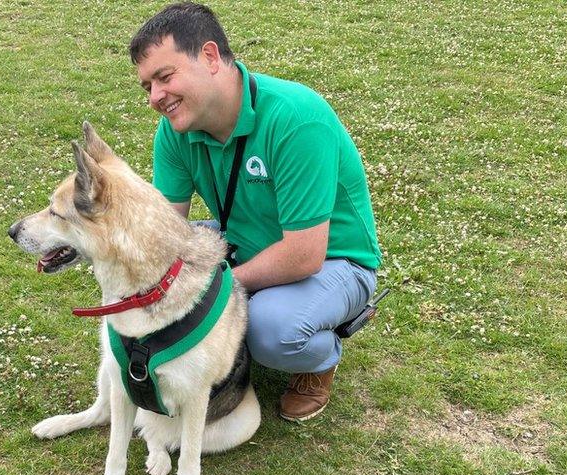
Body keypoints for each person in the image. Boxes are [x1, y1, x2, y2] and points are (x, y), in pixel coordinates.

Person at [129, 2, 381, 421]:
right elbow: (166, 231)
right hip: (244, 243)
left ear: (210, 57)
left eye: (164, 77)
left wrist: (206, 290)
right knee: (164, 267)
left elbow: (303, 254)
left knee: (270, 330)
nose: (156, 98)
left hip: (333, 262)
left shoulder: (297, 118)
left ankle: (322, 357)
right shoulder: (176, 130)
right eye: (146, 87)